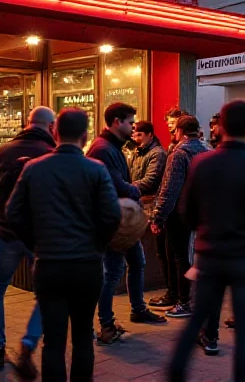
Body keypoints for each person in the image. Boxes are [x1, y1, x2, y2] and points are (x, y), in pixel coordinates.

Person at [168, 100, 245, 382]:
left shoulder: (202, 163)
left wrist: (205, 233)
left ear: (220, 127)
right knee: (244, 330)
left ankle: (175, 373)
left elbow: (188, 211)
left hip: (210, 255)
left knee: (198, 319)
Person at [5, 108, 121, 382]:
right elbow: (112, 215)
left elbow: (13, 213)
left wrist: (36, 243)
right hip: (87, 264)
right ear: (85, 136)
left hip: (49, 264)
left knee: (53, 340)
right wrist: (98, 243)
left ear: (54, 132)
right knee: (82, 336)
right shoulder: (96, 170)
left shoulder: (34, 169)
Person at [0, 106, 56, 378]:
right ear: (50, 128)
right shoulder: (50, 154)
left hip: (7, 232)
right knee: (45, 292)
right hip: (38, 236)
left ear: (28, 123)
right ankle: (30, 341)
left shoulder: (5, 150)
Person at [87, 103, 165, 345]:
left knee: (136, 262)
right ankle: (107, 324)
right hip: (113, 221)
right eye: (131, 122)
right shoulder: (103, 149)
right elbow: (114, 183)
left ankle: (137, 309)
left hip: (121, 218)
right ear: (117, 121)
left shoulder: (113, 147)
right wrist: (134, 190)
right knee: (112, 272)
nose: (133, 127)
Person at [151, 115, 209, 318]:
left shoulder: (179, 154)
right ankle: (179, 297)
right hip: (198, 211)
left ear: (180, 132)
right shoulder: (205, 151)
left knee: (178, 257)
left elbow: (170, 188)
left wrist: (158, 216)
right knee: (185, 256)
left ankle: (182, 301)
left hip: (179, 213)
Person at [129, 121, 167, 200]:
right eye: (134, 135)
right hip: (137, 198)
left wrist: (127, 187)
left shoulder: (158, 153)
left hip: (149, 201)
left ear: (149, 135)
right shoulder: (135, 153)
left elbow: (150, 181)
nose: (136, 139)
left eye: (139, 135)